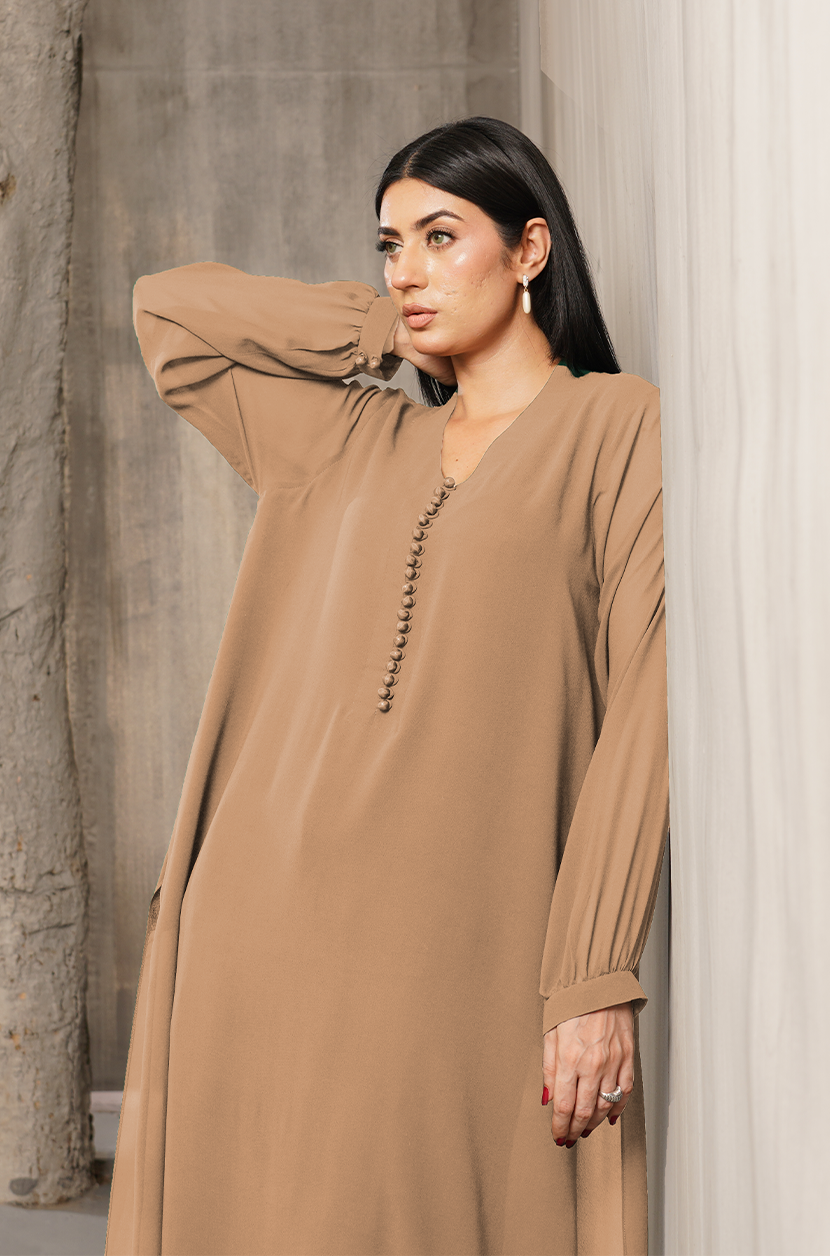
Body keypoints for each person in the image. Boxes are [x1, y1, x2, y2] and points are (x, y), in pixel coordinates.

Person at [106, 116, 669, 1256]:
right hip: (261, 933)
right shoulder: (345, 437)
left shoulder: (613, 427)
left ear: (529, 249)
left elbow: (643, 711)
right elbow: (169, 314)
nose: (406, 269)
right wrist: (378, 328)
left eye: (440, 237)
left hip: (463, 954)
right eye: (389, 244)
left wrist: (594, 975)